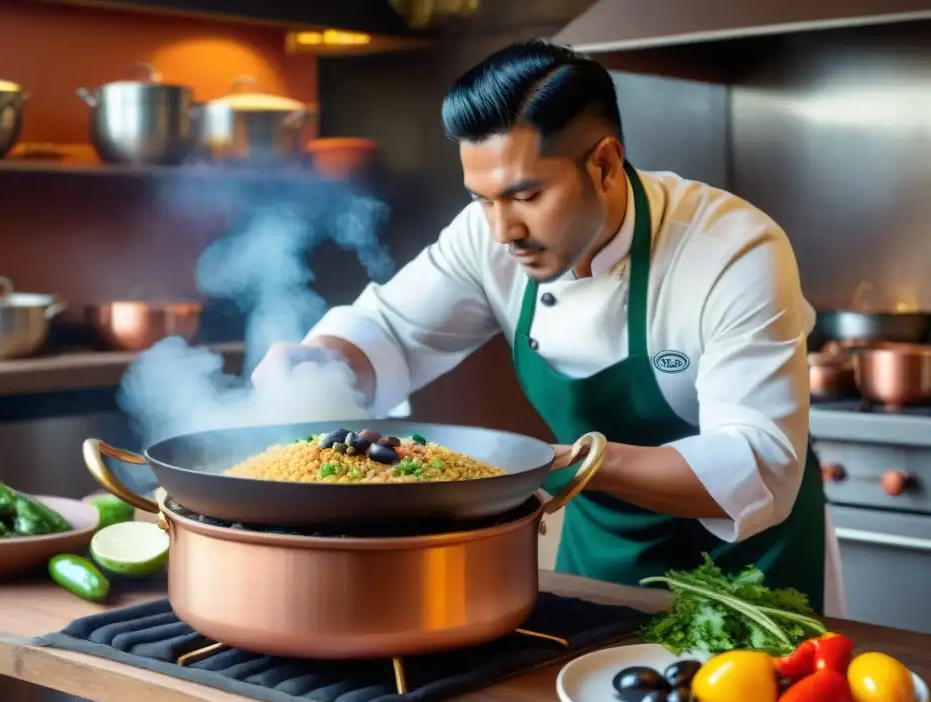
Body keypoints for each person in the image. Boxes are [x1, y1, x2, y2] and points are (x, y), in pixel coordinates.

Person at [253, 39, 844, 615]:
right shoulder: (486, 237)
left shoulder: (733, 250)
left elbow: (759, 463)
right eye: (483, 200)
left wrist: (555, 462)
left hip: (752, 570)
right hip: (606, 551)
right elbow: (388, 331)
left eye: (527, 195)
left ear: (605, 164)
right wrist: (317, 364)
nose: (502, 231)